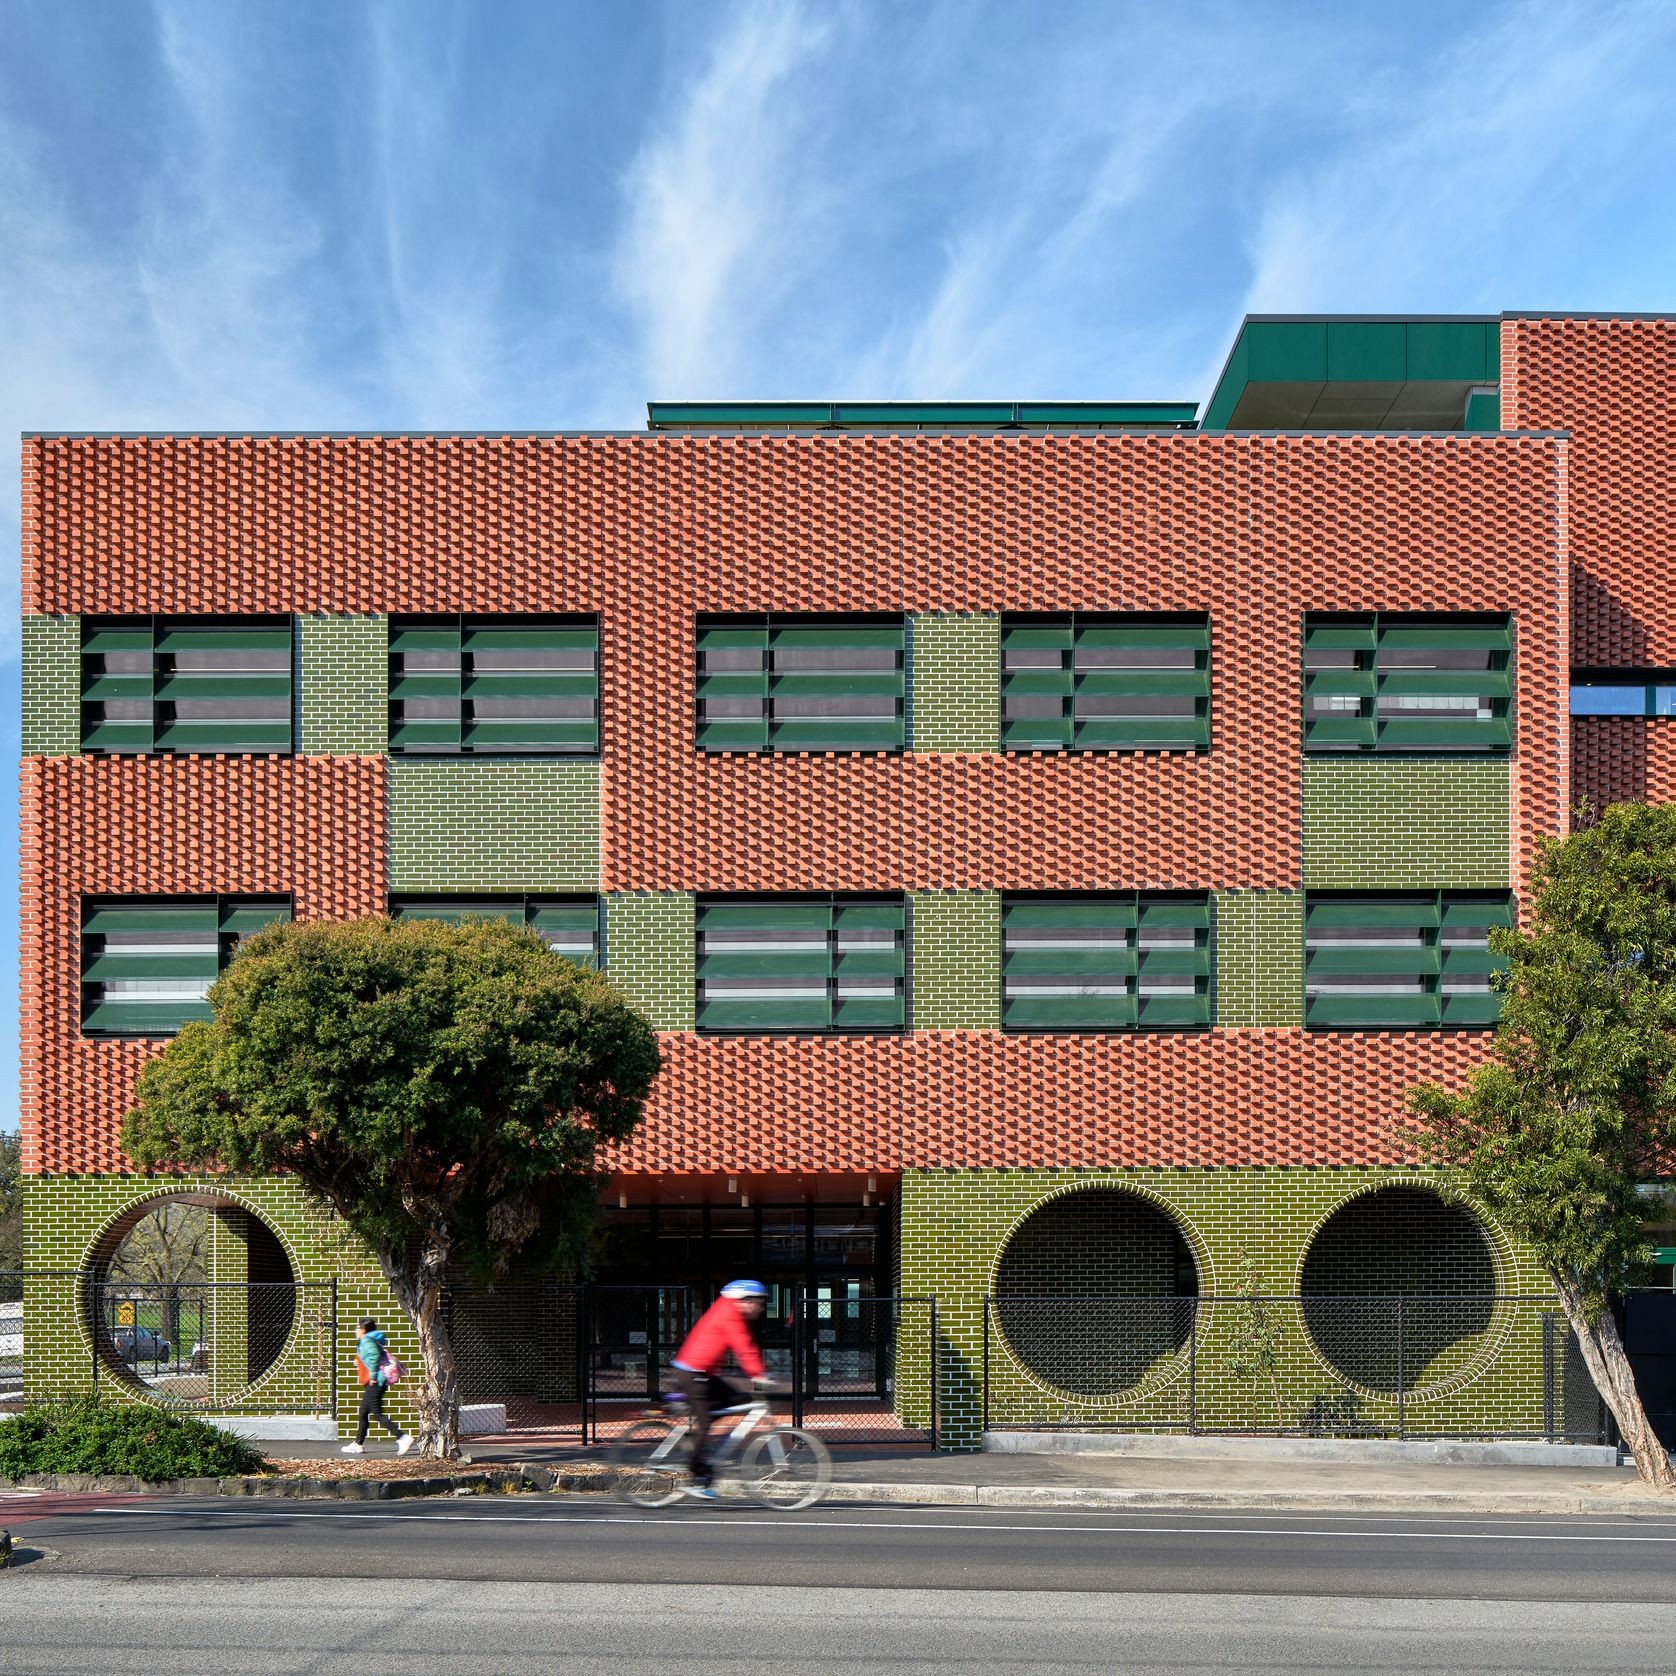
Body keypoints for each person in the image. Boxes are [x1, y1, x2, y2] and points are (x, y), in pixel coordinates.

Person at [670, 1280, 772, 1498]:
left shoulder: (728, 1311)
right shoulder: (729, 1315)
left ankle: (695, 1440)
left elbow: (745, 1346)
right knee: (706, 1421)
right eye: (759, 1303)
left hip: (703, 1374)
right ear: (745, 1301)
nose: (761, 1308)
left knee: (737, 1399)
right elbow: (744, 1346)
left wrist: (757, 1372)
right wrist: (758, 1373)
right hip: (692, 1373)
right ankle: (697, 1476)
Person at [342, 1316, 414, 1455]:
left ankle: (402, 1437)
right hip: (376, 1381)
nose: (355, 1330)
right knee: (364, 1411)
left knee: (377, 1413)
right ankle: (358, 1443)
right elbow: (371, 1356)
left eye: (357, 1327)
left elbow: (375, 1356)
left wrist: (373, 1376)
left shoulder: (367, 1340)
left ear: (363, 1330)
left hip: (376, 1381)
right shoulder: (369, 1340)